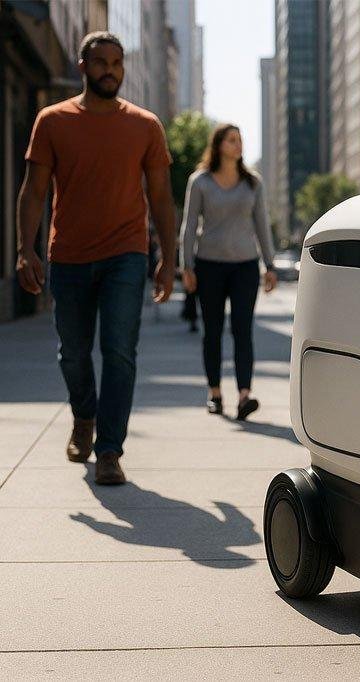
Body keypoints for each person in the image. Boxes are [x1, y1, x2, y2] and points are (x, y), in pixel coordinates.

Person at [16, 32, 177, 485]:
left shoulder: (145, 125)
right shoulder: (53, 120)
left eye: (117, 62)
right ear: (83, 66)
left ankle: (109, 450)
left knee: (120, 351)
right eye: (101, 62)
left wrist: (168, 257)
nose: (111, 70)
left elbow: (162, 198)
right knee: (72, 352)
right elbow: (33, 192)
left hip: (127, 253)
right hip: (67, 254)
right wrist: (23, 249)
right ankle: (83, 416)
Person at [179, 124, 277, 421]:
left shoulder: (252, 183)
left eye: (240, 140)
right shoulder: (200, 182)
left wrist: (269, 265)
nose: (238, 145)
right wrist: (187, 266)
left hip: (245, 266)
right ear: (219, 145)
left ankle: (244, 395)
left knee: (242, 330)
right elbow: (188, 225)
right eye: (232, 140)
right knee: (212, 331)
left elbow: (262, 225)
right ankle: (215, 393)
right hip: (209, 265)